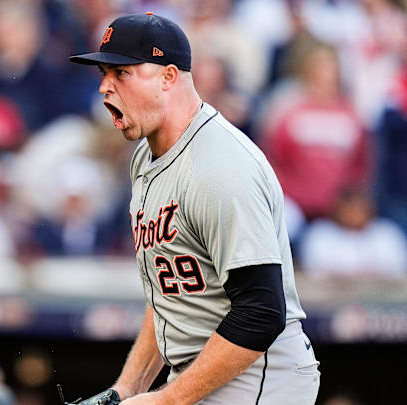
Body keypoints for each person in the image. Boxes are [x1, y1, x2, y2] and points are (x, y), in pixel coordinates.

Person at [68, 13, 320, 405]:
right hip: (207, 375)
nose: (104, 87)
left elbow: (261, 312)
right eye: (104, 72)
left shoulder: (220, 166)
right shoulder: (145, 158)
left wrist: (165, 400)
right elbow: (171, 294)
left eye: (121, 74)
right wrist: (128, 388)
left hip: (259, 382)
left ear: (169, 77)